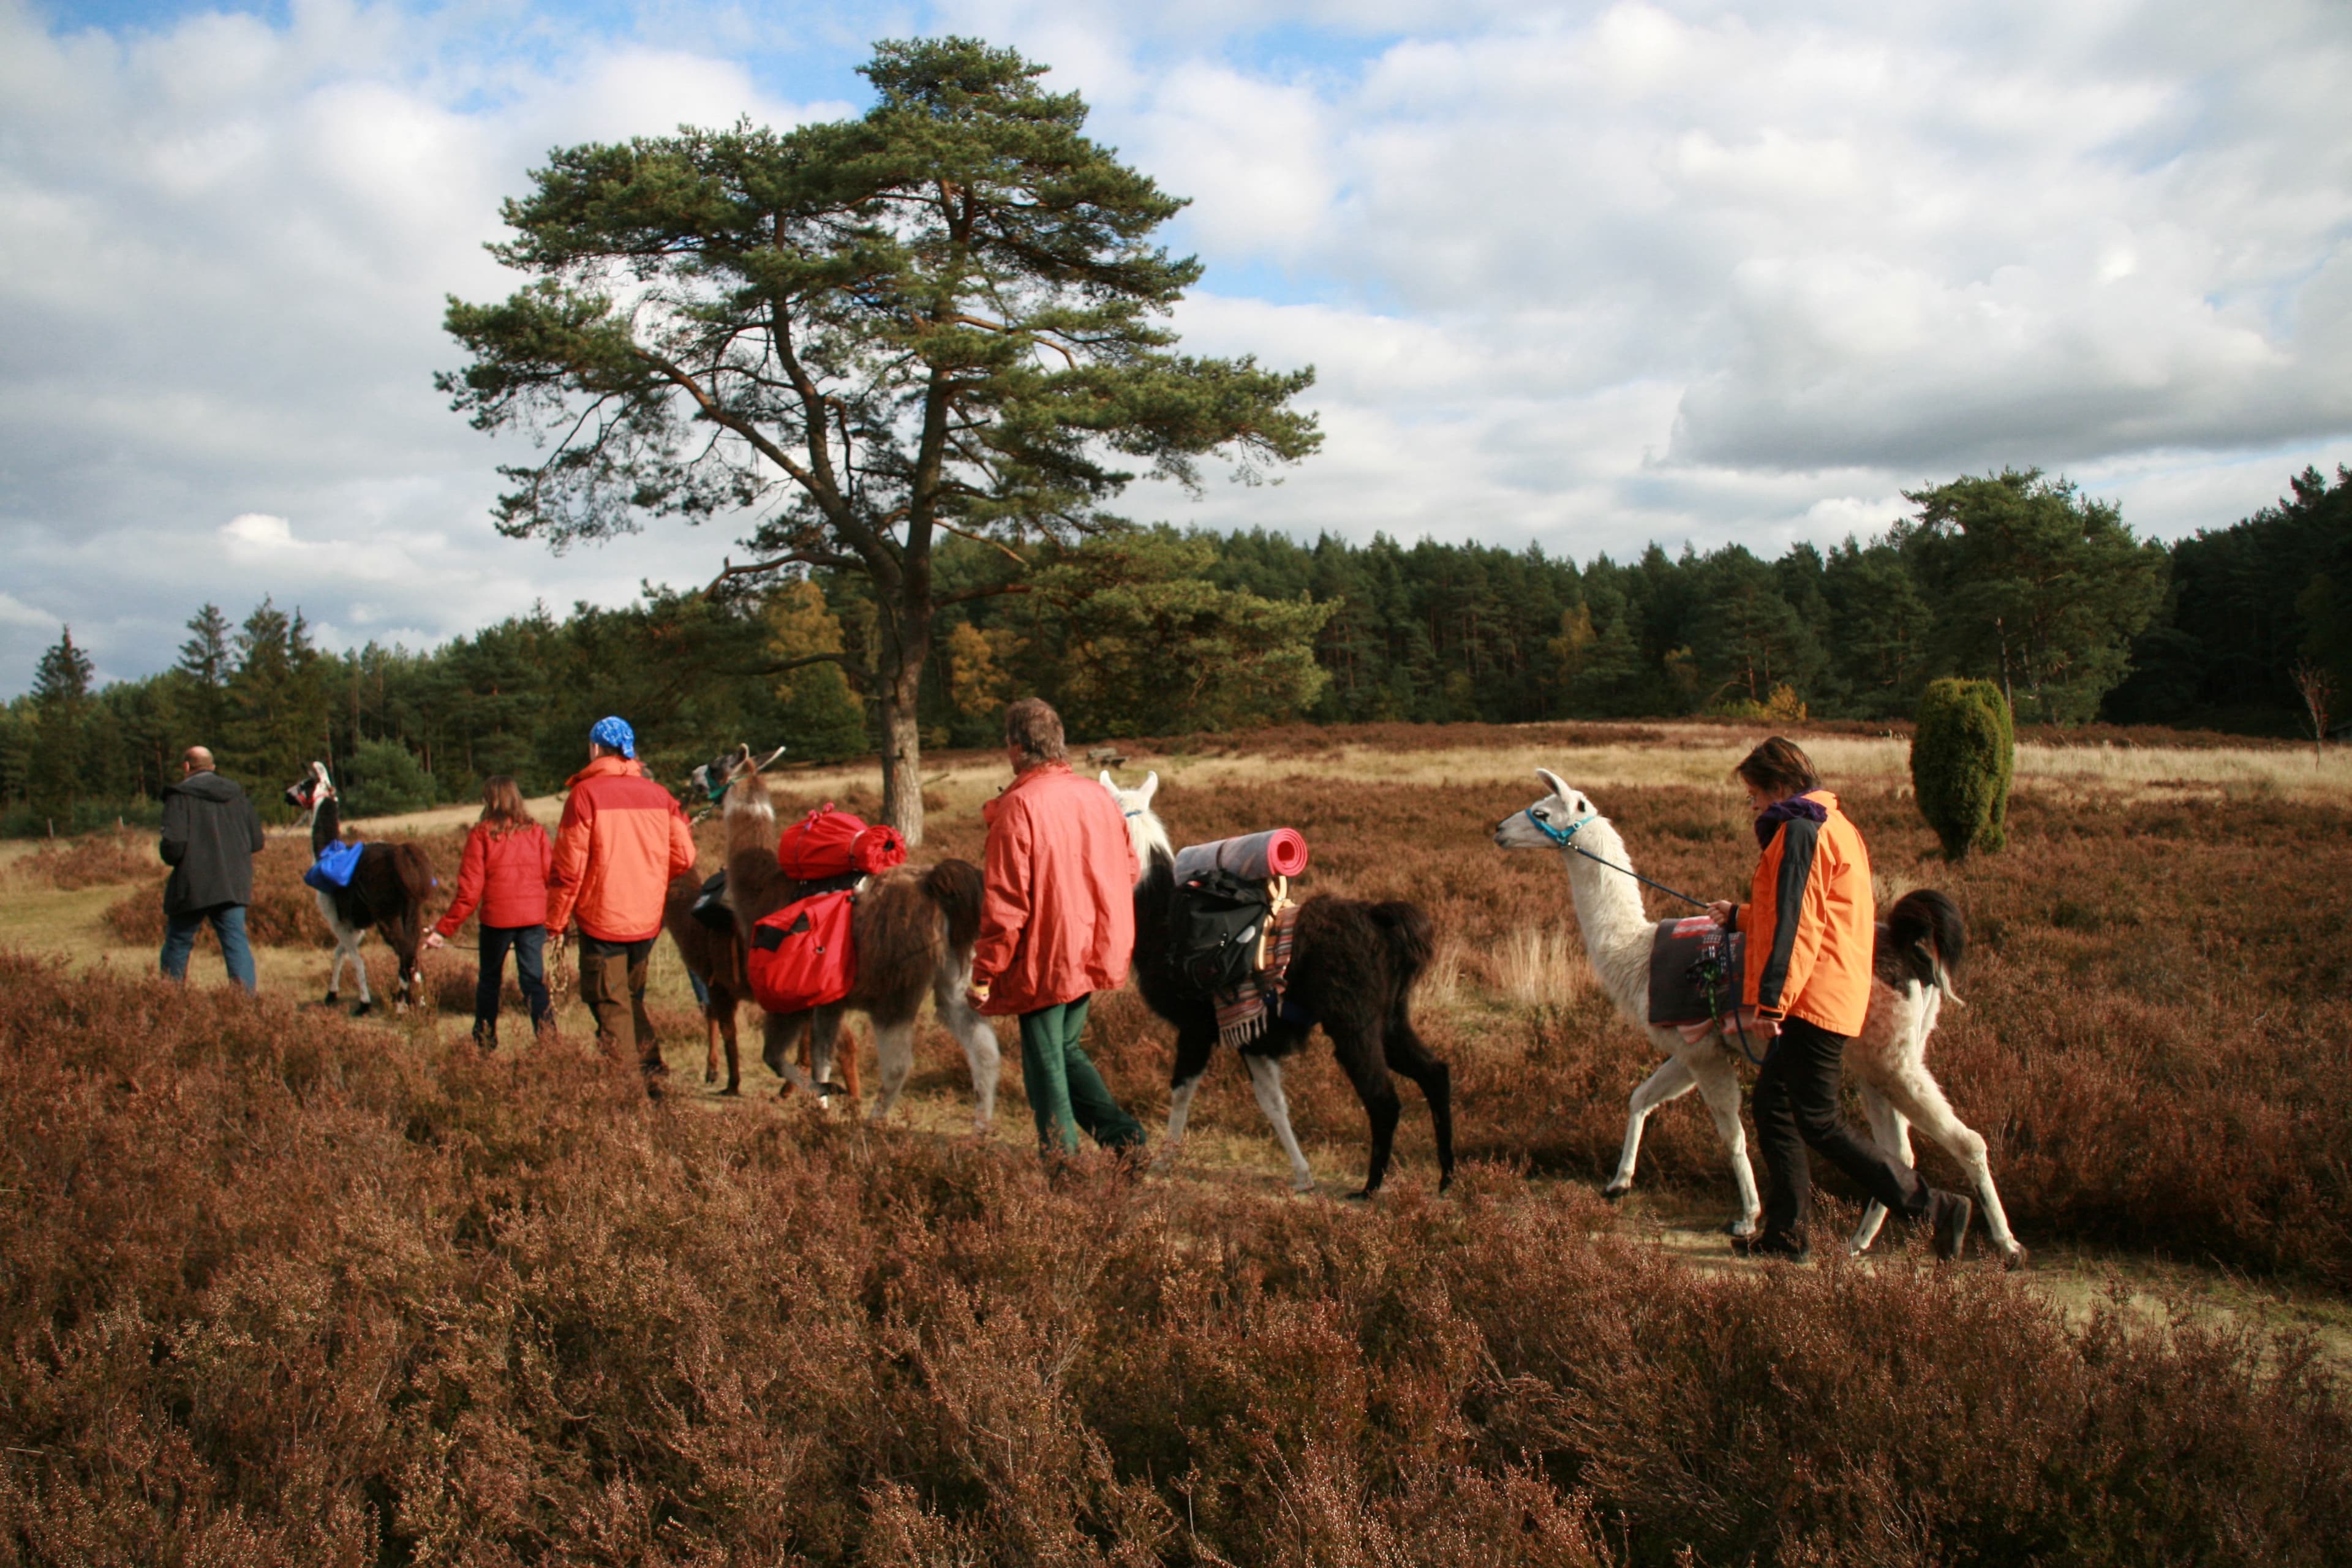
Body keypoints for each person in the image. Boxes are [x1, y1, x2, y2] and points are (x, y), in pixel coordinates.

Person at [1709, 736, 1973, 1261]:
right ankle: (1787, 1237)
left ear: (1780, 787)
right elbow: (1812, 915)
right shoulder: (1833, 825)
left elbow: (1798, 925)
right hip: (1828, 991)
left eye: (1754, 794)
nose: (1753, 806)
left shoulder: (1800, 831)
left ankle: (1936, 1208)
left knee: (1819, 1121)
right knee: (1776, 1108)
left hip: (1814, 998)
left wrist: (1771, 1003)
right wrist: (1739, 916)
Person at [970, 698, 1145, 1161]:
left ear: (1016, 747)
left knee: (1045, 1064)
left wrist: (985, 972)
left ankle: (1064, 1169)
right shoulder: (1098, 797)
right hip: (1092, 946)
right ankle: (1125, 1140)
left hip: (1045, 954)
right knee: (1065, 1048)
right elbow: (1129, 869)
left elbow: (1007, 904)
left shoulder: (1020, 806)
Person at [545, 717, 696, 1092]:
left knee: (610, 1003)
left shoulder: (585, 795)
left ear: (596, 749)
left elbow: (568, 870)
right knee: (629, 998)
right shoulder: (660, 795)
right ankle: (653, 1073)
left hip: (603, 917)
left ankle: (628, 1089)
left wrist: (555, 923)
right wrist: (650, 876)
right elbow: (685, 856)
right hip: (646, 919)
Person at [423, 775, 554, 1050]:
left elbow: (469, 893)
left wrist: (442, 930)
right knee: (534, 983)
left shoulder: (481, 834)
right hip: (533, 919)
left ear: (489, 799)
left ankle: (484, 1042)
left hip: (498, 920)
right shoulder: (536, 831)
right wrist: (555, 921)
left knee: (490, 982)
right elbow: (550, 878)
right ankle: (550, 1044)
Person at [156, 745, 266, 993]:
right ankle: (246, 1007)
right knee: (235, 943)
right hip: (233, 883)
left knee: (179, 942)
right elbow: (257, 842)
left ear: (186, 767)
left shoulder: (179, 796)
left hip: (193, 884)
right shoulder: (238, 794)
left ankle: (168, 1001)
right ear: (213, 768)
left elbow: (173, 848)